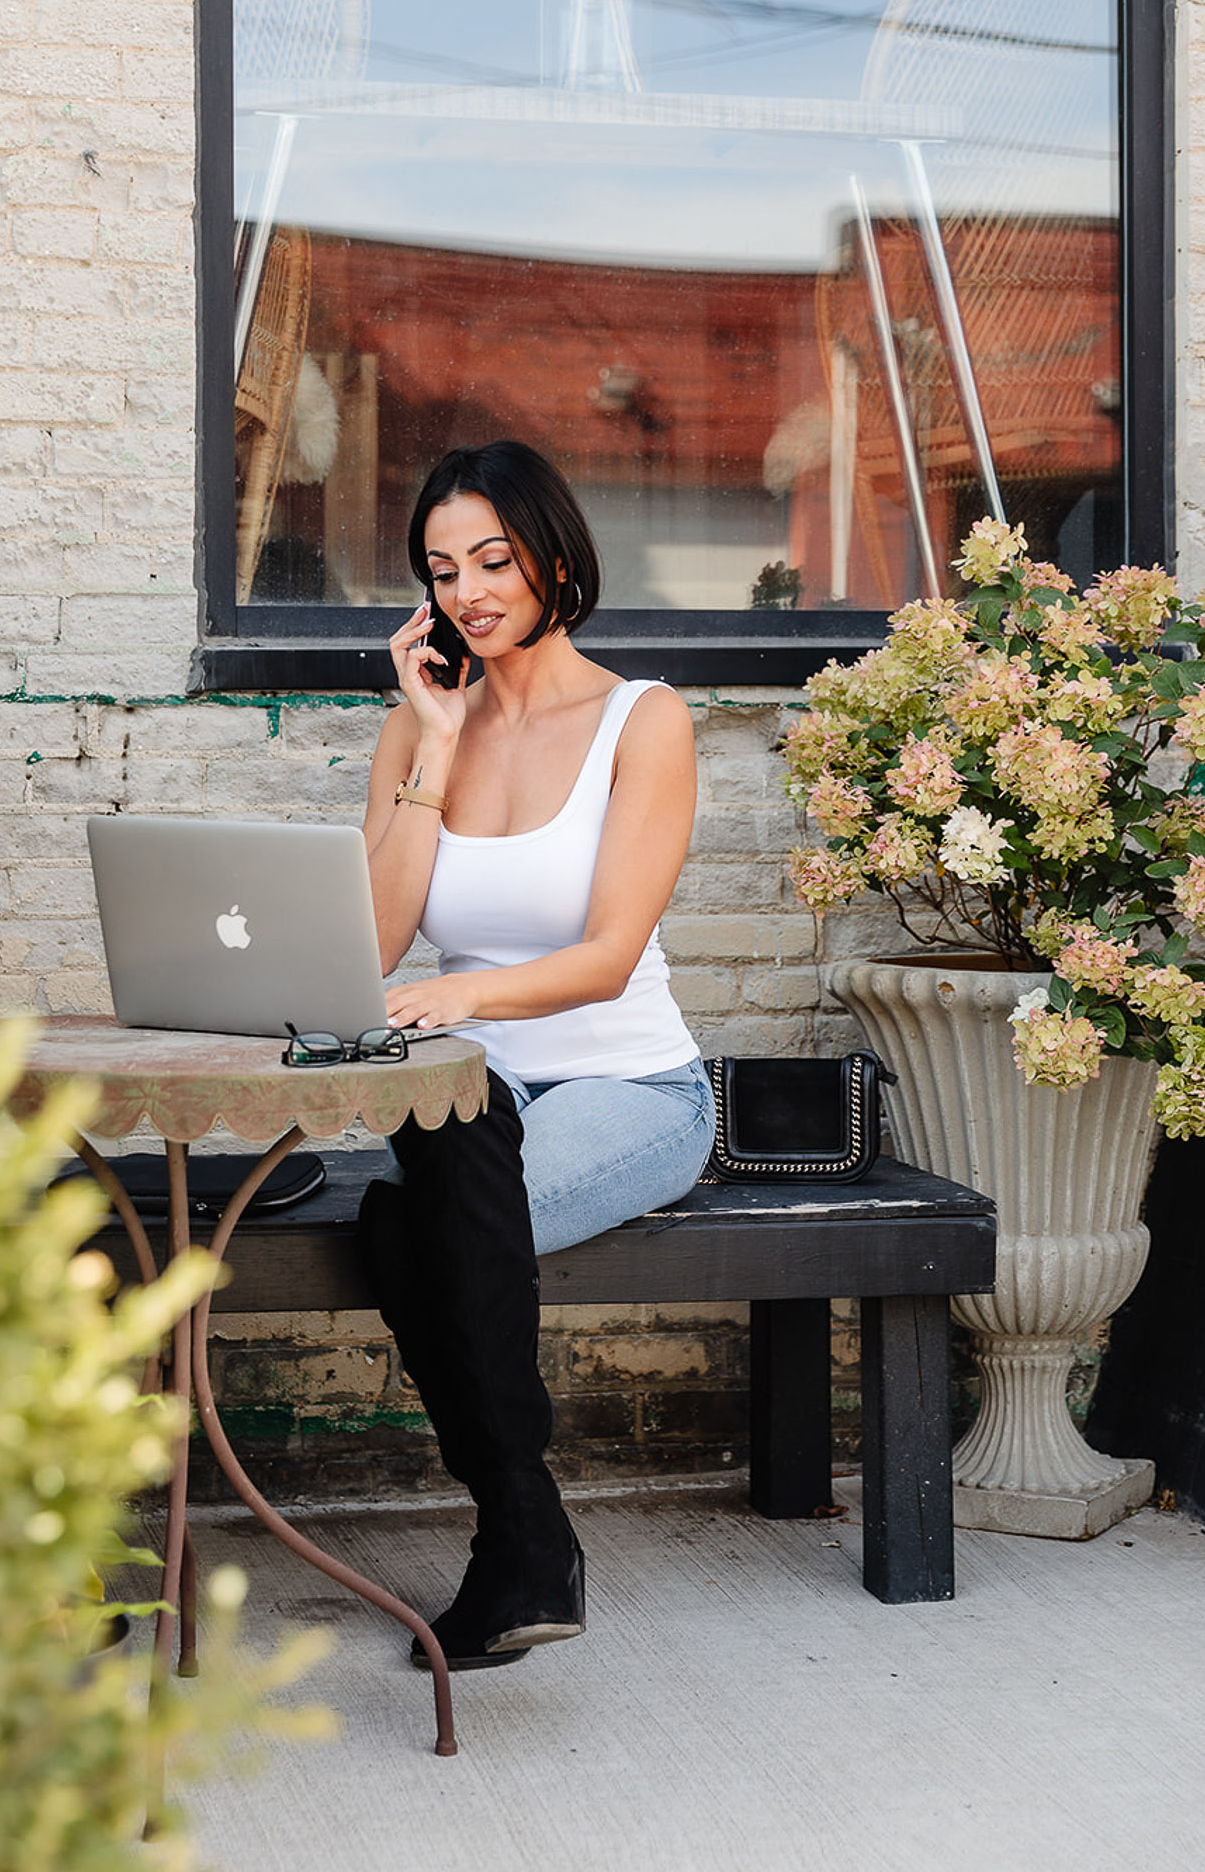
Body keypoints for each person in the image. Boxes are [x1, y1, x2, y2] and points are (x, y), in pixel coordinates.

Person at [357, 440, 713, 1672]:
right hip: (476, 1089)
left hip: (629, 1090)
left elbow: (611, 953)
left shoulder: (642, 718)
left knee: (419, 1222)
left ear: (556, 555)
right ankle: (527, 1525)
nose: (469, 590)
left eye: (495, 559)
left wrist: (459, 993)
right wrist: (436, 743)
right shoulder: (417, 732)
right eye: (443, 568)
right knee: (436, 1170)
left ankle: (519, 1533)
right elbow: (379, 934)